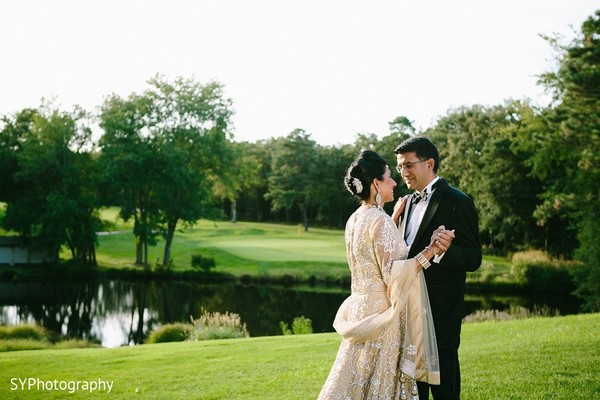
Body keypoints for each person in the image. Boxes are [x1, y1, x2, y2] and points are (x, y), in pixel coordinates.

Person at [317, 149, 456, 400]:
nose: (395, 181)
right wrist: (432, 249)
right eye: (389, 176)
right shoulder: (379, 221)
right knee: (378, 383)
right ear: (376, 184)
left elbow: (372, 252)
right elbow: (395, 275)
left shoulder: (355, 218)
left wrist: (392, 218)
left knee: (359, 378)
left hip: (360, 308)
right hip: (381, 315)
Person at [393, 137, 482, 400]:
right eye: (399, 167)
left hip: (440, 310)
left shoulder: (458, 201)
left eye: (409, 165)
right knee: (412, 384)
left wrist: (445, 252)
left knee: (444, 385)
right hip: (407, 308)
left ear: (429, 163)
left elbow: (473, 258)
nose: (404, 173)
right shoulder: (407, 203)